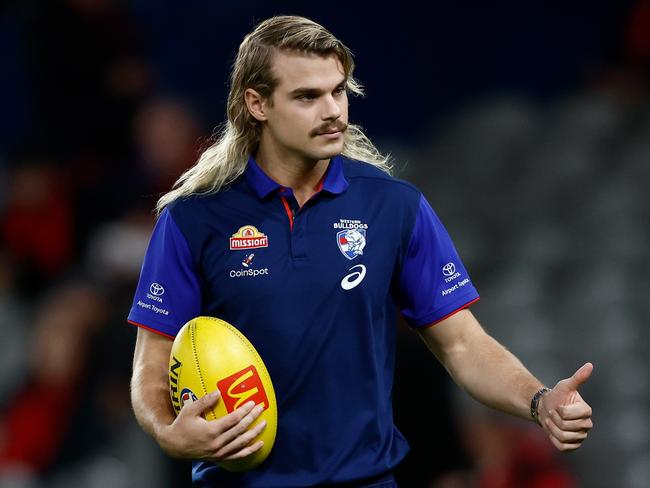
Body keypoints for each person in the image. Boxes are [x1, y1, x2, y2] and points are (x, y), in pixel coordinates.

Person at [128, 15, 594, 488]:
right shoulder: (192, 218)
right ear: (257, 103)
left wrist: (540, 400)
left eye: (338, 91)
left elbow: (463, 344)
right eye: (307, 96)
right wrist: (170, 433)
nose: (332, 110)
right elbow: (152, 361)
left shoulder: (394, 205)